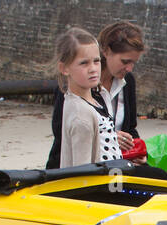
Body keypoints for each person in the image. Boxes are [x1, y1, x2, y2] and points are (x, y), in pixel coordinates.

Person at [54, 27, 121, 167]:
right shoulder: (81, 114)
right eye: (84, 63)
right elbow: (82, 171)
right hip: (105, 184)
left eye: (96, 61)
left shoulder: (97, 99)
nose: (93, 68)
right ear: (64, 69)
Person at [96, 21, 145, 154]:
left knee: (156, 173)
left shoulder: (127, 81)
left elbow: (130, 129)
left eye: (133, 63)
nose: (129, 69)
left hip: (117, 159)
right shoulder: (83, 81)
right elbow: (64, 132)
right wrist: (108, 138)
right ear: (106, 51)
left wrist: (138, 153)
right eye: (125, 61)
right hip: (86, 163)